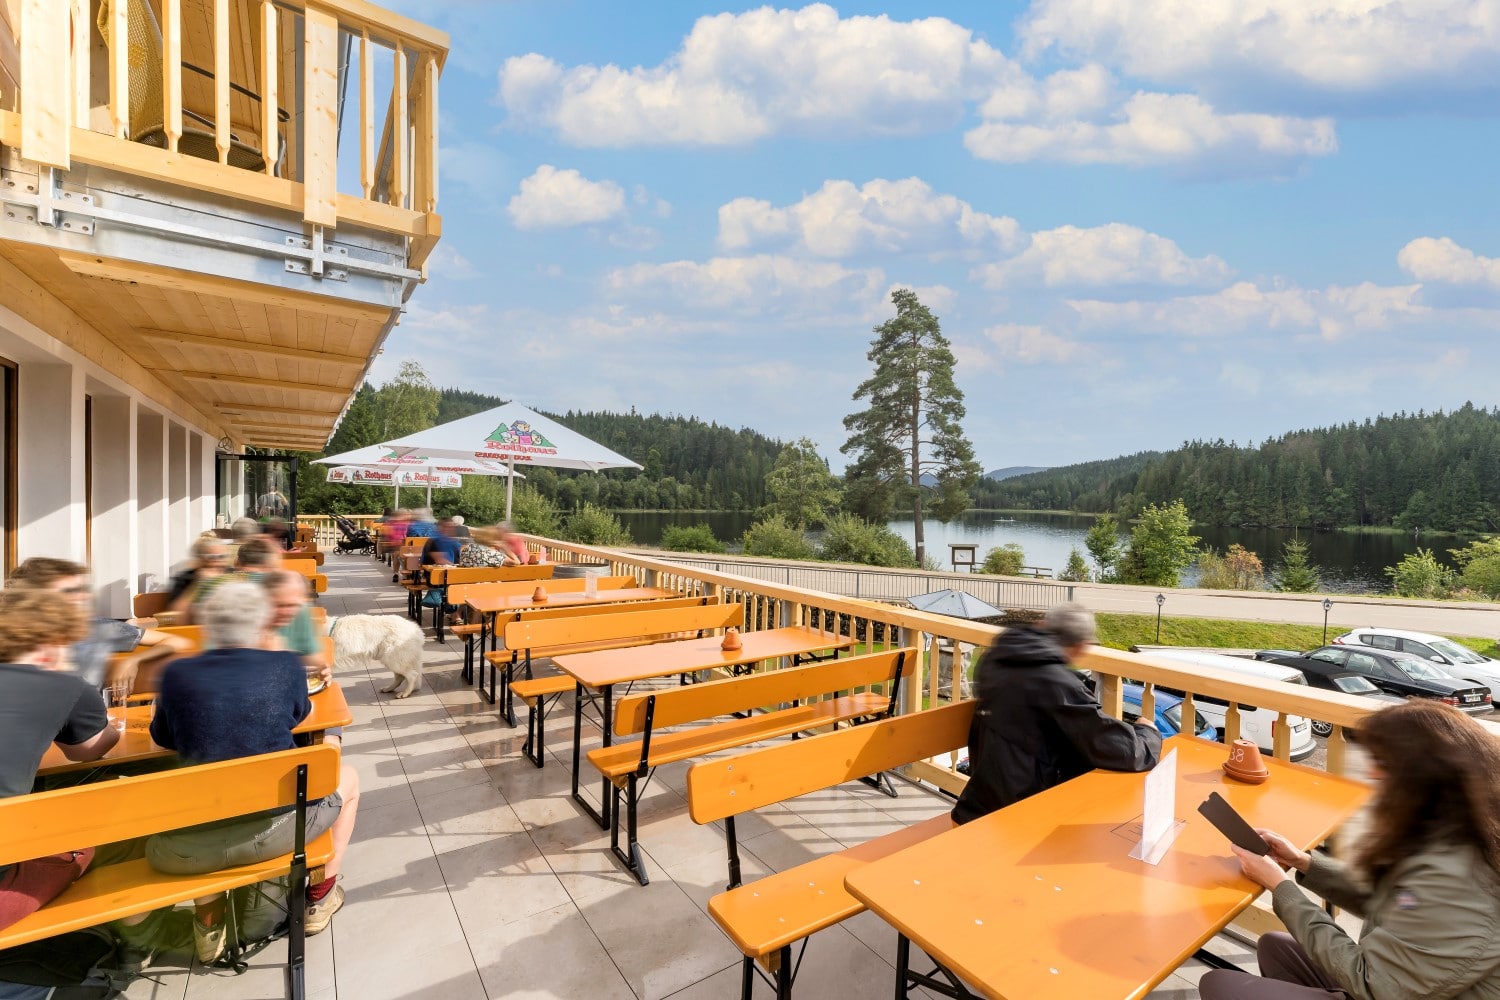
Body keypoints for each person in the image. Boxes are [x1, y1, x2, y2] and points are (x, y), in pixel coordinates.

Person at [1201, 700, 1500, 1000]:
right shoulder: (1461, 833)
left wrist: (1279, 887)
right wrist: (1304, 862)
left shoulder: (1461, 883)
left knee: (1220, 984)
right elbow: (1401, 901)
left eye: (1384, 764)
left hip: (1379, 987)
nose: (1372, 773)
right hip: (1395, 982)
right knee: (1275, 947)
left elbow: (1372, 984)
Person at [147, 580, 359, 959]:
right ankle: (319, 897)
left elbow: (163, 738)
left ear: (208, 626)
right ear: (263, 625)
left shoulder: (176, 674)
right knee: (347, 775)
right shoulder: (285, 666)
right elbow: (301, 716)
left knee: (197, 794)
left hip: (183, 848)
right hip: (277, 832)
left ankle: (208, 924)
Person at [951, 603, 1161, 824]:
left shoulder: (999, 656)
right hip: (1016, 812)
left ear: (1041, 626)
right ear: (1081, 647)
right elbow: (1120, 750)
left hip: (979, 799)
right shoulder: (1056, 684)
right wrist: (1148, 732)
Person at [0, 590, 113, 931]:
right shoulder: (66, 685)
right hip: (6, 879)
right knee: (103, 832)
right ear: (54, 641)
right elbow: (88, 751)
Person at [8, 558, 192, 689]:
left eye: (82, 589)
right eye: (69, 591)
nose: (83, 596)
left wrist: (134, 659)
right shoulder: (9, 634)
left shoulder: (98, 628)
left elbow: (178, 642)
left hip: (80, 729)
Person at [165, 536, 229, 605]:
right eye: (211, 557)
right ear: (200, 559)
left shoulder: (230, 575)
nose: (218, 562)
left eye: (222, 556)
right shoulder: (186, 579)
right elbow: (176, 610)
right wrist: (199, 583)